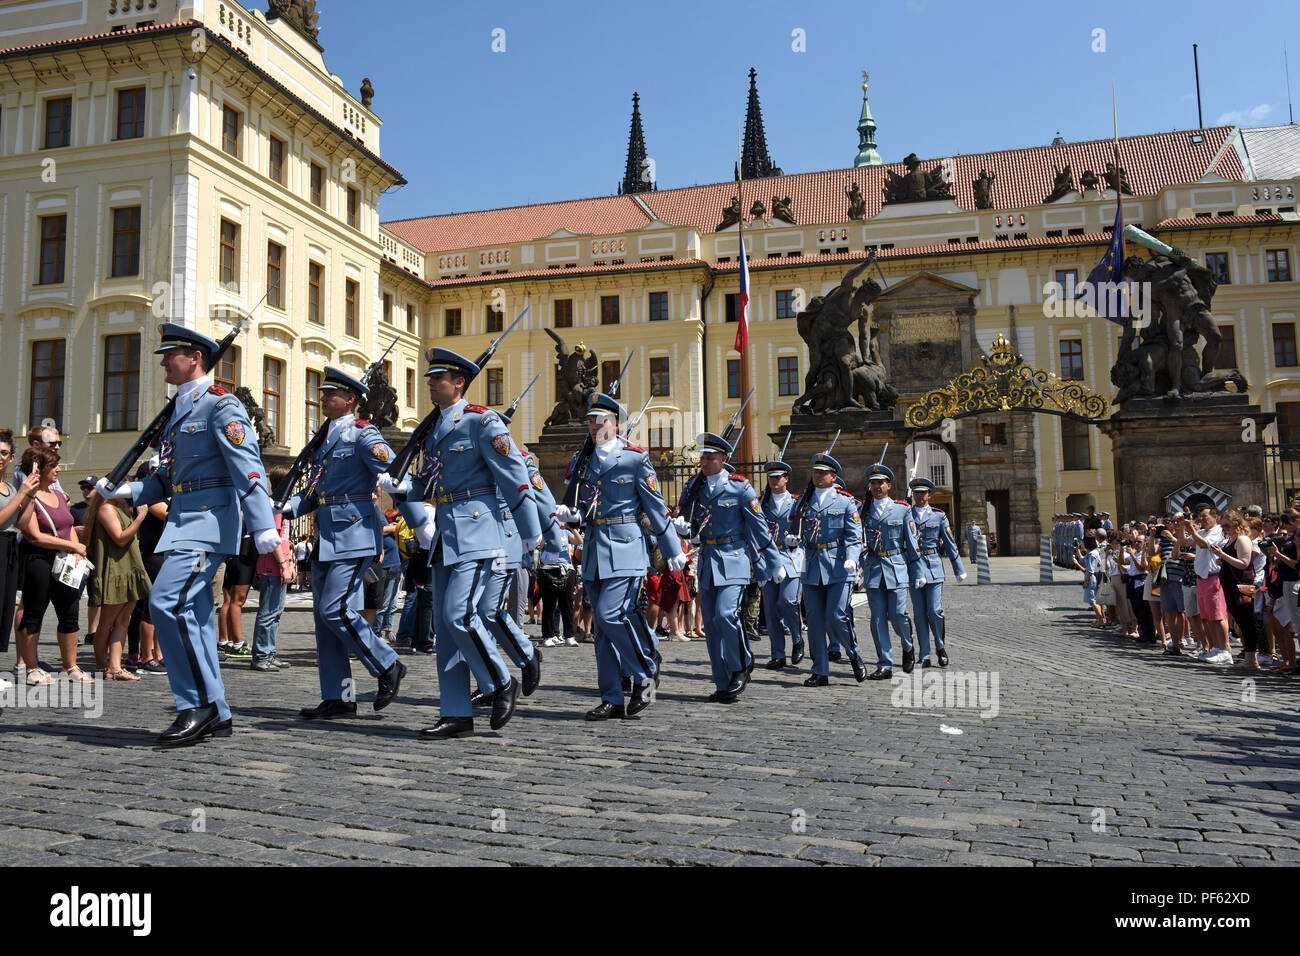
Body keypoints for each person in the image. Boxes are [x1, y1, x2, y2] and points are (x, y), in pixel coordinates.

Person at [95, 323, 281, 746]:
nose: (162, 361)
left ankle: (196, 705)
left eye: (170, 354)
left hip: (209, 525)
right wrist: (123, 489)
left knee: (165, 603)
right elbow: (167, 479)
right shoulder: (179, 410)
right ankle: (216, 709)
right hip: (184, 522)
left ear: (194, 357)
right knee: (194, 619)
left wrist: (263, 523)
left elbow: (248, 468)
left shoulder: (221, 405)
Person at [388, 347, 542, 740]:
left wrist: (530, 530)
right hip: (446, 535)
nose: (431, 384)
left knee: (460, 615)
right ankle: (455, 711)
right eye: (429, 379)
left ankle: (499, 681)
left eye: (438, 378)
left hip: (478, 529)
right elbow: (430, 478)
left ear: (459, 383)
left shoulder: (482, 422)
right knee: (445, 630)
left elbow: (514, 476)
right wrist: (406, 489)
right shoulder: (436, 429)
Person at [281, 366, 406, 720]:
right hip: (326, 534)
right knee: (324, 621)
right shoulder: (327, 437)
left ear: (350, 399)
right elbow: (316, 490)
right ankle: (340, 697)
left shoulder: (363, 434)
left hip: (353, 533)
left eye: (330, 393)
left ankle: (387, 664)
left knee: (334, 609)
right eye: (322, 393)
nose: (322, 398)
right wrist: (288, 507)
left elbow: (391, 470)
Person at [557, 392, 684, 719]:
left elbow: (656, 510)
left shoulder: (634, 458)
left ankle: (645, 672)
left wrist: (672, 551)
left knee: (612, 615)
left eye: (601, 419)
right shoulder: (581, 460)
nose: (594, 424)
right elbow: (583, 505)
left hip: (626, 546)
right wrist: (572, 514)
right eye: (590, 419)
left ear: (616, 424)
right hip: (595, 548)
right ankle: (612, 696)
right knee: (601, 627)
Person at [672, 431, 780, 703]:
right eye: (702, 457)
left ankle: (742, 663)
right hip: (707, 559)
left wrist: (773, 562)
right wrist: (685, 531)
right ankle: (723, 682)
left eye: (710, 458)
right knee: (711, 625)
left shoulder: (739, 488)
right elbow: (692, 525)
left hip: (733, 558)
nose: (704, 462)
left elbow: (759, 528)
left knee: (726, 615)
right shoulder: (694, 488)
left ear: (723, 459)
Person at [787, 452, 865, 686]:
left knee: (836, 616)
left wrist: (852, 557)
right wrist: (792, 541)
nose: (818, 476)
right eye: (815, 472)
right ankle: (820, 670)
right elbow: (795, 530)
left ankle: (853, 653)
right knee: (815, 621)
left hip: (839, 565)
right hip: (812, 566)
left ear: (833, 476)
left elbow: (854, 537)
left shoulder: (844, 501)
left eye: (823, 472)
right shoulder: (803, 502)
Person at [17, 447, 90, 684]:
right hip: (38, 560)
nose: (58, 469)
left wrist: (77, 550)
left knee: (70, 612)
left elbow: (68, 527)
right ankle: (32, 668)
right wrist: (72, 547)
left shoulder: (59, 496)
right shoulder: (28, 497)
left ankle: (71, 666)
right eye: (53, 466)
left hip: (65, 561)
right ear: (39, 470)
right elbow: (33, 536)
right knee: (34, 613)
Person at [859, 462, 921, 679]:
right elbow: (858, 540)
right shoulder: (863, 512)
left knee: (897, 615)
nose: (876, 487)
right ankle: (884, 663)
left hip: (896, 568)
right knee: (877, 619)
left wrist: (918, 571)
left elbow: (912, 543)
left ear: (889, 486)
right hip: (874, 569)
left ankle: (907, 645)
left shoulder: (902, 510)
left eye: (880, 483)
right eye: (873, 483)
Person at [88, 493, 151, 681]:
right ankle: (101, 666)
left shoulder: (122, 508)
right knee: (107, 623)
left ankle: (115, 667)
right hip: (116, 570)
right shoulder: (106, 508)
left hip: (129, 567)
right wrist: (140, 517)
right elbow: (120, 538)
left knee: (124, 619)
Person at [908, 477, 966, 665]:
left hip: (933, 567)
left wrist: (958, 568)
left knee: (934, 611)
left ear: (929, 495)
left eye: (923, 493)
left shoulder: (939, 516)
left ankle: (940, 646)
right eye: (916, 493)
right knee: (919, 614)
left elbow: (949, 543)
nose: (920, 496)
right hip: (914, 569)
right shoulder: (906, 515)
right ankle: (924, 654)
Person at [250, 464, 296, 672]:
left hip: (280, 565)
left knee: (276, 612)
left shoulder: (281, 504)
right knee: (268, 613)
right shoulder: (275, 506)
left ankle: (269, 652)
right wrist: (283, 565)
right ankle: (260, 655)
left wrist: (290, 563)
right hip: (272, 566)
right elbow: (274, 540)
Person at [759, 460, 805, 669]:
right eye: (771, 477)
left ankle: (797, 638)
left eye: (778, 477)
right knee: (770, 609)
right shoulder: (761, 504)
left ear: (786, 479)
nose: (774, 480)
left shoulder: (797, 502)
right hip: (768, 559)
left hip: (790, 558)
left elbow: (809, 527)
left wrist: (798, 540)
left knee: (787, 602)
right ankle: (777, 653)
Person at [0, 432, 39, 667]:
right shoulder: (17, 491)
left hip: (9, 547)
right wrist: (23, 493)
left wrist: (31, 496)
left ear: (11, 457)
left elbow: (21, 524)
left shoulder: (10, 488)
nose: (0, 457)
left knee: (4, 608)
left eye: (4, 453)